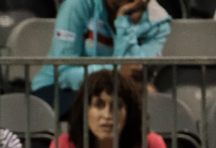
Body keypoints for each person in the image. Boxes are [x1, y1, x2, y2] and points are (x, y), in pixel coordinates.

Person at [31, 0, 172, 118]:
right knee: (101, 111)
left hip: (118, 94)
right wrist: (114, 75)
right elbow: (64, 73)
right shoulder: (78, 5)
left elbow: (133, 73)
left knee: (153, 106)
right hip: (59, 90)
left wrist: (124, 22)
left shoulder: (158, 21)